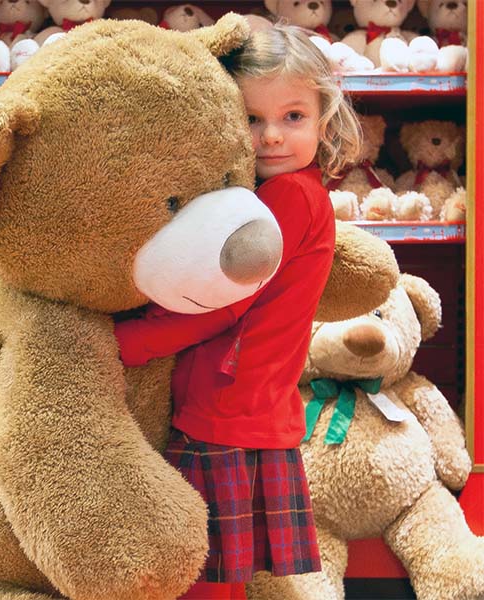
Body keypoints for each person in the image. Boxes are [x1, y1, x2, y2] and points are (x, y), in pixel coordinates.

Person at [115, 24, 361, 600]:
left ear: (325, 119)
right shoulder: (298, 190)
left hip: (228, 407)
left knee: (199, 575)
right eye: (252, 118)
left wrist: (132, 341)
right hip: (248, 405)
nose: (271, 135)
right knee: (222, 574)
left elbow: (220, 301)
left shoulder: (286, 197)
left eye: (293, 116)